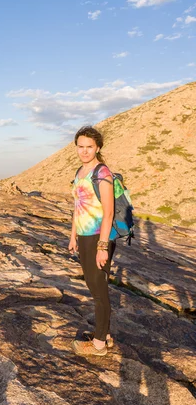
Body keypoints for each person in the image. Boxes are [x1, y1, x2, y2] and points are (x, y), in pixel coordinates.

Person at [68, 125, 117, 357]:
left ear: (97, 147)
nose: (85, 151)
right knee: (93, 286)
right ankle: (103, 334)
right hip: (85, 237)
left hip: (99, 237)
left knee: (99, 291)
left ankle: (99, 344)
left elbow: (108, 213)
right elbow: (78, 207)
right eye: (81, 146)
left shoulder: (102, 173)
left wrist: (102, 247)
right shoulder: (80, 172)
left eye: (89, 147)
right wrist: (73, 235)